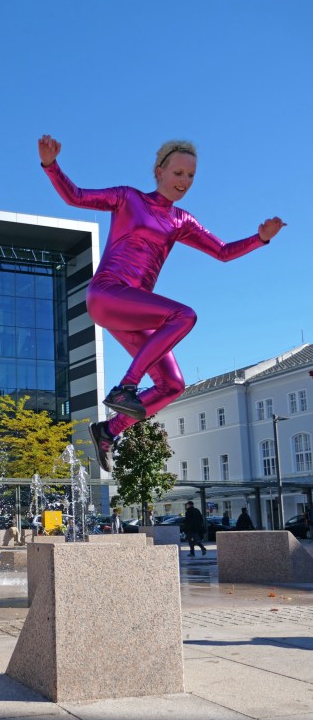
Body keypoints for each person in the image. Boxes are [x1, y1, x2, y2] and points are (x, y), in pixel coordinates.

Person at [38, 135, 286, 473]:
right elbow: (75, 196)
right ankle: (126, 386)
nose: (184, 181)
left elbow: (223, 252)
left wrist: (260, 239)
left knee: (172, 385)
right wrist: (51, 165)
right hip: (108, 293)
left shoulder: (182, 221)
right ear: (159, 171)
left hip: (135, 312)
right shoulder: (128, 198)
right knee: (184, 315)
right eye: (178, 173)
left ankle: (108, 430)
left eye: (191, 176)